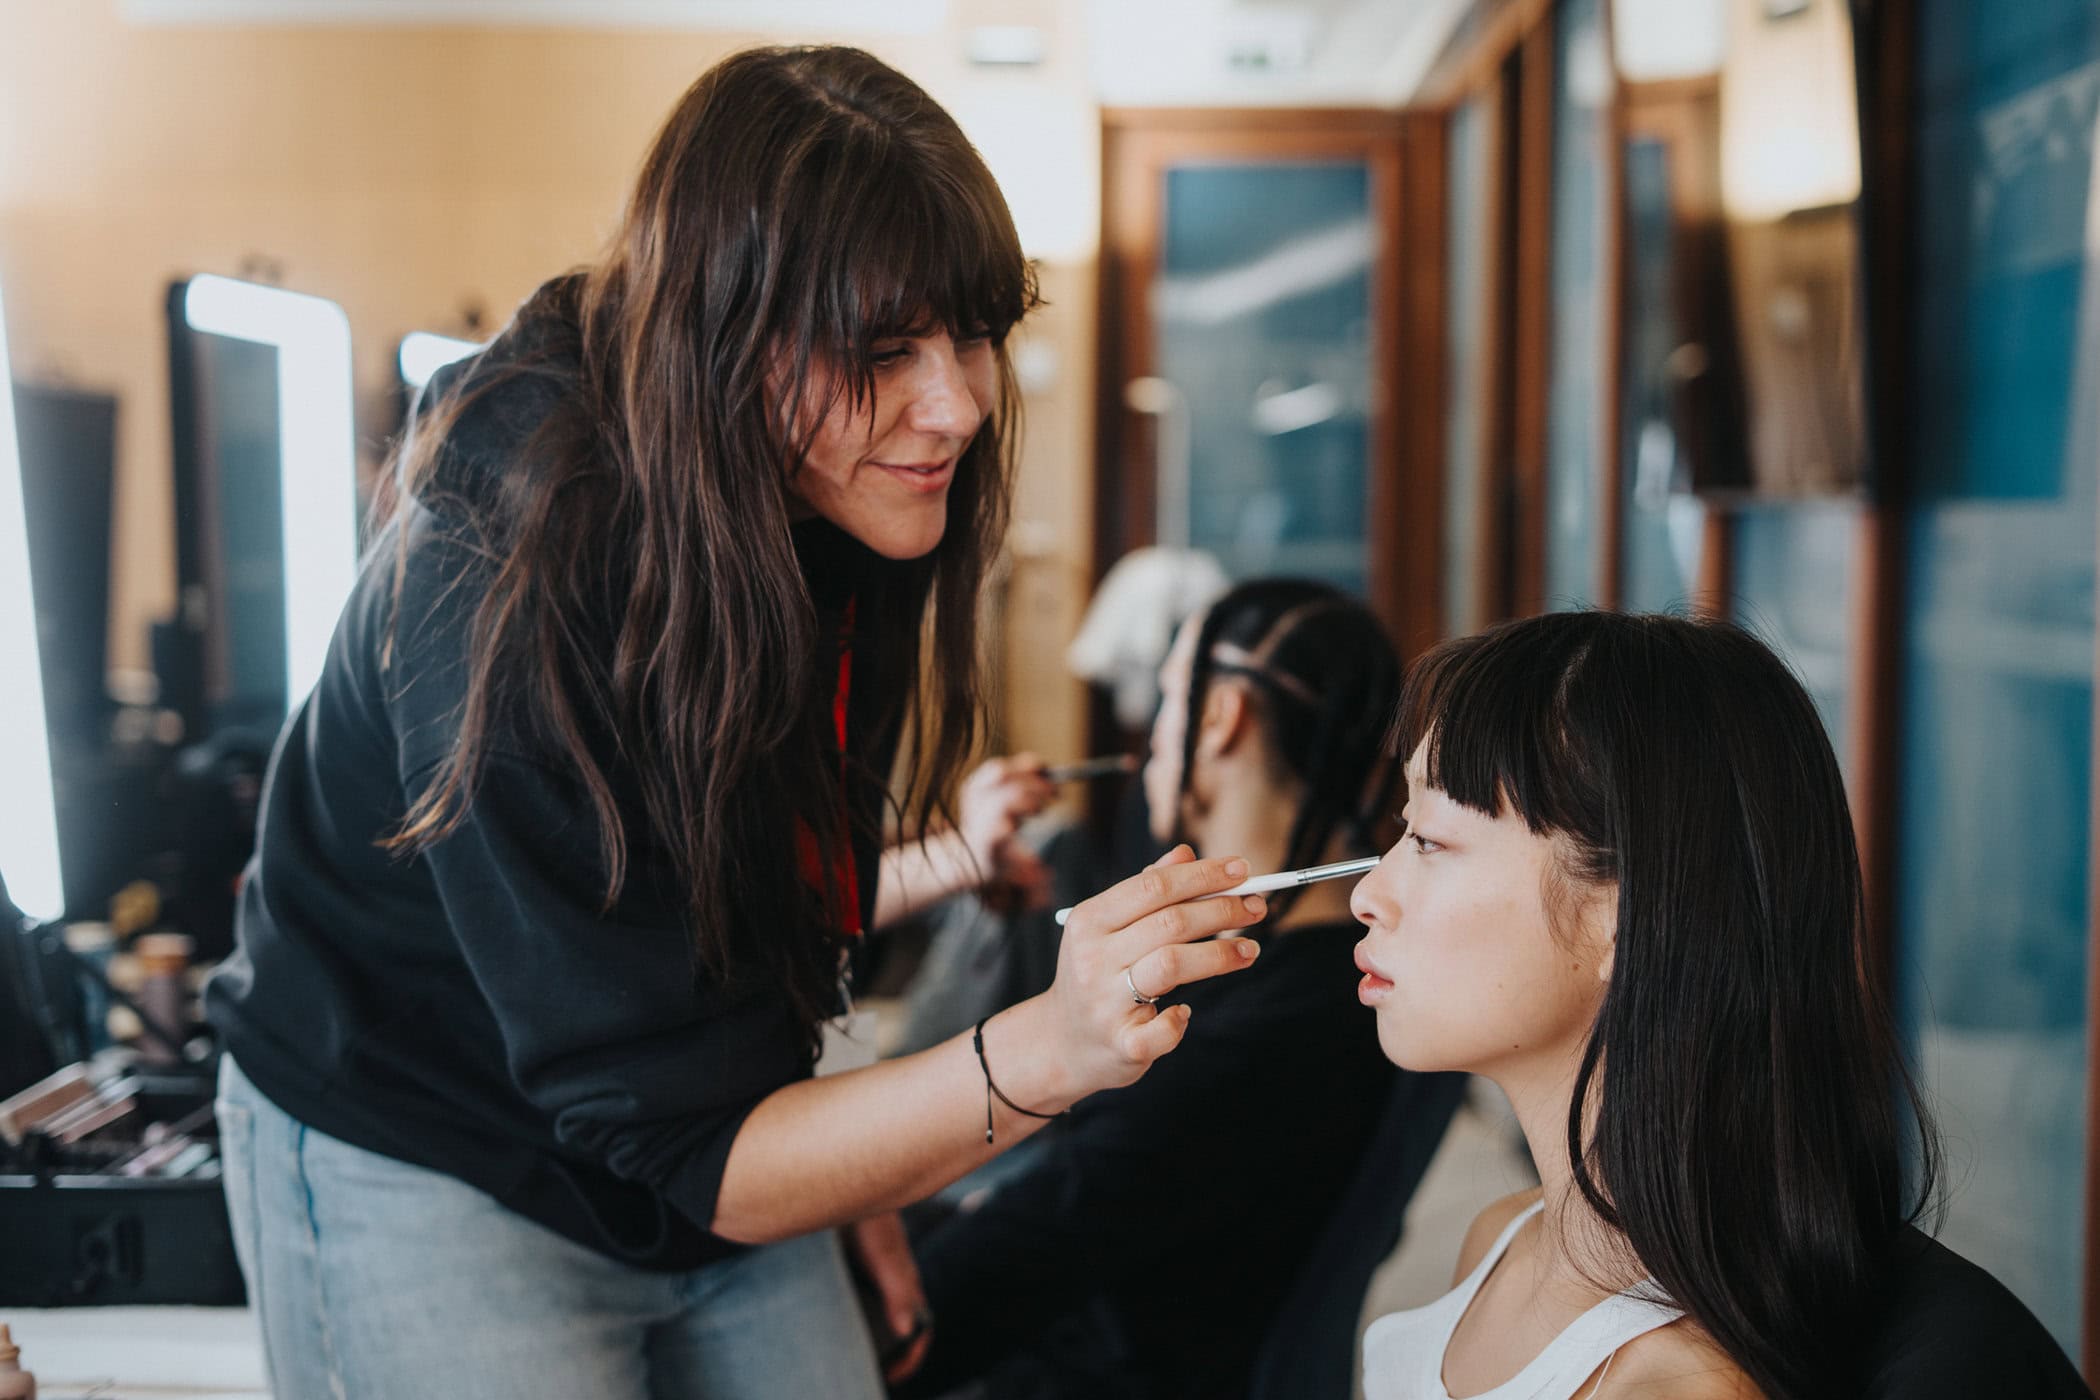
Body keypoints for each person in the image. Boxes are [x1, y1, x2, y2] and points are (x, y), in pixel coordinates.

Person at [204, 46, 1268, 1400]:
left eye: (972, 334)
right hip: (420, 1132)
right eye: (885, 348)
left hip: (680, 1123)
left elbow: (766, 917)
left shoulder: (845, 496)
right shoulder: (515, 572)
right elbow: (690, 1143)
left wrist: (868, 1161)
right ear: (725, 333)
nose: (956, 404)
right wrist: (1044, 1055)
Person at [1352, 612, 2073, 1399]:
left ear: (1625, 914)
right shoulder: (1507, 1238)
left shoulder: (1669, 1386)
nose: (1367, 894)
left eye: (1428, 840)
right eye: (1402, 829)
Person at [894, 579, 1411, 1400]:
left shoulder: (1286, 1023)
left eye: (1169, 698)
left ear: (1220, 718)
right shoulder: (1327, 963)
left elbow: (1038, 1245)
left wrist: (880, 1328)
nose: (1147, 741)